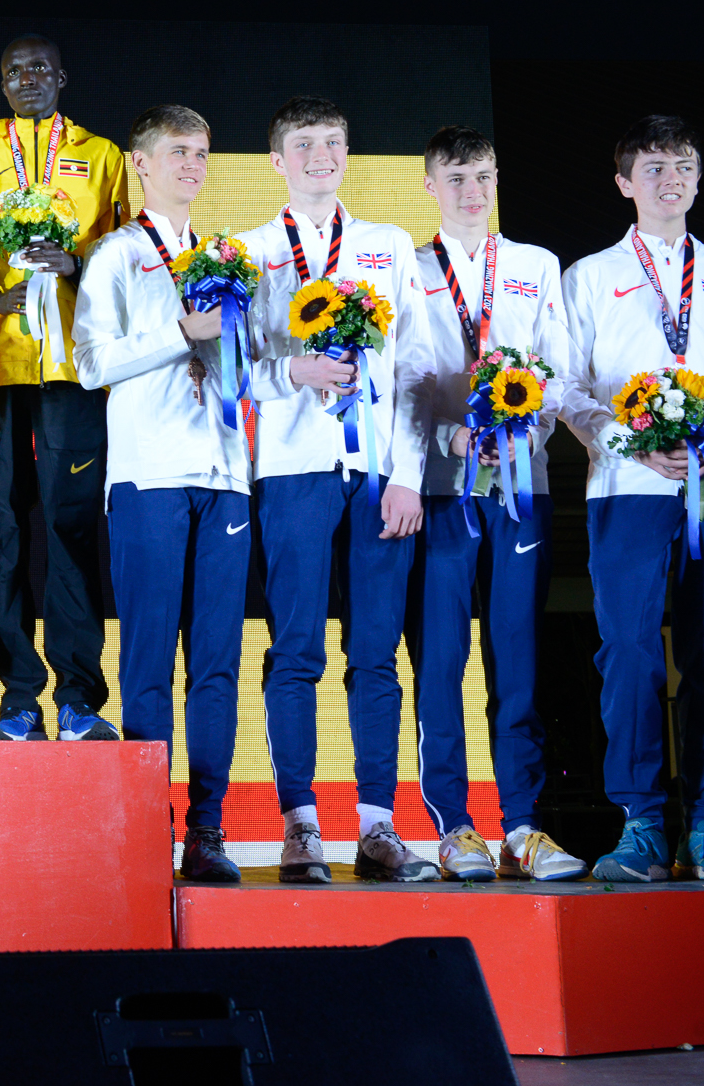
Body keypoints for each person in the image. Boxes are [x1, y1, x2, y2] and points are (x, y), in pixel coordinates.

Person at [559, 116, 704, 883]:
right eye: (653, 166)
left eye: (683, 164)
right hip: (627, 485)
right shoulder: (590, 275)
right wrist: (625, 439)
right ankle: (642, 824)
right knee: (627, 649)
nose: (671, 178)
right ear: (624, 182)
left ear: (697, 178)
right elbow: (565, 382)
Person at [240, 95, 434, 883]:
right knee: (295, 649)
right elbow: (230, 364)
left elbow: (418, 364)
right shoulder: (251, 250)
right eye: (304, 143)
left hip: (379, 474)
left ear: (347, 154)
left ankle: (378, 828)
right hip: (292, 469)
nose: (320, 155)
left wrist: (410, 473)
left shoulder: (388, 245)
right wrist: (294, 369)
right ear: (277, 160)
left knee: (377, 653)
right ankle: (300, 827)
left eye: (332, 142)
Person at [405, 126, 587, 882]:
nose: (472, 191)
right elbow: (404, 373)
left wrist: (523, 431)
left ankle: (523, 826)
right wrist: (449, 437)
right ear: (430, 186)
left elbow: (559, 366)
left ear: (497, 178)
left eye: (482, 176)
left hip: (521, 486)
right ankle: (454, 827)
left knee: (517, 661)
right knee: (441, 662)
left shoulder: (535, 264)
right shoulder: (411, 266)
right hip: (441, 487)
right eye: (456, 178)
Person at [73, 106, 247, 880]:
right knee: (147, 659)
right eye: (177, 151)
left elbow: (248, 359)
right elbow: (90, 362)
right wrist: (181, 332)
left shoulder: (225, 259)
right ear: (140, 163)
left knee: (216, 662)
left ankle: (207, 830)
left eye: (201, 153)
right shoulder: (117, 253)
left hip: (226, 475)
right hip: (148, 475)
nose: (192, 165)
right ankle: (148, 831)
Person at [0, 34, 126, 741]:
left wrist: (77, 261)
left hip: (72, 371)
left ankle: (79, 697)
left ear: (61, 75)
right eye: (13, 71)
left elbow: (125, 252)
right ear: (2, 85)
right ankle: (18, 697)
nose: (27, 78)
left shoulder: (103, 156)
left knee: (70, 529)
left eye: (39, 68)